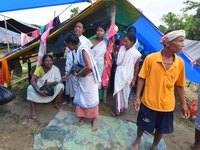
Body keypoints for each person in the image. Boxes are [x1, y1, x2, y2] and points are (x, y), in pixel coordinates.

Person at [132, 30, 190, 150]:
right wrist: (137, 97)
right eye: (180, 41)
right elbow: (141, 78)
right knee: (142, 124)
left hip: (167, 105)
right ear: (168, 43)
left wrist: (184, 104)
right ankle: (138, 140)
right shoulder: (151, 58)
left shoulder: (180, 63)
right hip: (148, 102)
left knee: (160, 128)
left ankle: (154, 145)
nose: (183, 44)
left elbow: (179, 85)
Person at [62, 31, 100, 131]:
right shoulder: (76, 50)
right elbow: (75, 65)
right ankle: (83, 117)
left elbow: (89, 67)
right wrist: (67, 75)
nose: (67, 48)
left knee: (91, 99)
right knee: (82, 98)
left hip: (89, 80)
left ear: (71, 43)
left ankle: (94, 119)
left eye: (67, 45)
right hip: (83, 79)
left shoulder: (82, 49)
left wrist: (78, 74)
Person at [64, 21, 93, 107]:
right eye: (76, 27)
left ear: (83, 30)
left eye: (79, 27)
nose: (77, 28)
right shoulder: (74, 47)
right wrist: (67, 75)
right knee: (71, 86)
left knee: (85, 94)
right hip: (73, 67)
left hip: (84, 72)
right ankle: (73, 101)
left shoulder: (83, 46)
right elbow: (74, 63)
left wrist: (79, 73)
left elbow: (89, 65)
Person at [111, 33, 141, 116]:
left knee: (125, 93)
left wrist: (134, 79)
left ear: (132, 42)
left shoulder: (137, 54)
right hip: (119, 73)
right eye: (124, 41)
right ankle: (116, 110)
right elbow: (118, 59)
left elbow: (136, 68)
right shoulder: (121, 49)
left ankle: (122, 108)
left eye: (126, 41)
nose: (124, 43)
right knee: (117, 91)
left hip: (128, 75)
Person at [27, 54, 64, 120]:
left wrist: (51, 83)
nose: (49, 62)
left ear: (52, 61)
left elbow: (59, 81)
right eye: (46, 61)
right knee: (30, 88)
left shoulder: (55, 69)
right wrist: (38, 90)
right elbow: (32, 80)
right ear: (43, 62)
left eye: (50, 60)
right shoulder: (39, 69)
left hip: (52, 88)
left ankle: (56, 103)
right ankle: (33, 109)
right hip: (40, 88)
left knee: (61, 86)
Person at [90, 24, 107, 102]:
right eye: (98, 30)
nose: (99, 32)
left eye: (101, 31)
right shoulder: (91, 41)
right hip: (91, 64)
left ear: (104, 32)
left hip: (100, 65)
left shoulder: (106, 42)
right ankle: (91, 97)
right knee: (91, 81)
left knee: (99, 81)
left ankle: (97, 98)